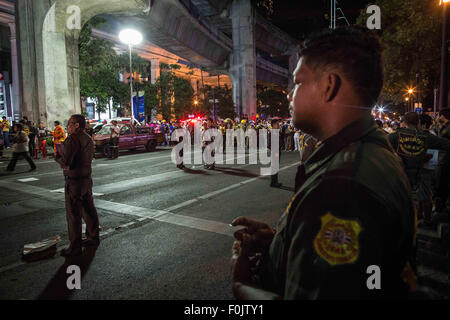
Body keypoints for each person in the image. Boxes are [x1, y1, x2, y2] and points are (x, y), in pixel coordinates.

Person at [231, 27, 416, 299]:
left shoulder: (341, 189)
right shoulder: (369, 152)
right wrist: (283, 241)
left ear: (329, 85)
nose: (289, 95)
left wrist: (242, 287)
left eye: (298, 82)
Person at [388, 112, 450, 225]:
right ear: (418, 122)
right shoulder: (426, 137)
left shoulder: (396, 135)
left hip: (400, 174)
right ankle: (420, 223)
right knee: (420, 200)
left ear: (404, 122)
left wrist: (394, 154)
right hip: (418, 175)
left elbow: (381, 144)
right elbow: (446, 144)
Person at [55, 114, 100, 257]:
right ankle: (93, 237)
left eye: (69, 124)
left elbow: (66, 161)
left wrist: (57, 157)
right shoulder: (88, 138)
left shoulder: (71, 139)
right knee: (88, 209)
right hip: (86, 179)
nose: (67, 127)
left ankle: (75, 247)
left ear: (76, 125)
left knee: (74, 214)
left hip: (74, 181)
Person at [433, 109, 450, 215]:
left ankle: (440, 210)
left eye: (438, 115)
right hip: (444, 160)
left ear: (443, 116)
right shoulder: (445, 127)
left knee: (441, 184)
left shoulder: (448, 128)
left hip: (446, 161)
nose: (437, 117)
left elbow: (440, 141)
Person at [268, 119, 282, 188]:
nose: (278, 125)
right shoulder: (273, 132)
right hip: (275, 153)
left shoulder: (276, 131)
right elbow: (271, 144)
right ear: (273, 125)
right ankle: (273, 182)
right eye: (277, 124)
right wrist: (275, 152)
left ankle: (275, 181)